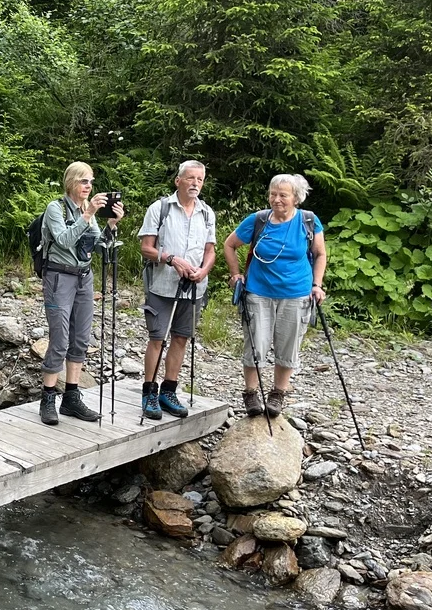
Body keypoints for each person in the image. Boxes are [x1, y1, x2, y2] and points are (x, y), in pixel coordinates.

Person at [222, 173, 326, 418]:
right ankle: (250, 393)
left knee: (288, 345)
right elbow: (229, 245)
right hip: (258, 292)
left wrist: (317, 284)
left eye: (283, 195)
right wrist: (236, 274)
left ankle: (278, 393)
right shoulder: (258, 220)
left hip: (297, 294)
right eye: (273, 194)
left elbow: (320, 254)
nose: (276, 199)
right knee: (256, 343)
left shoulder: (308, 221)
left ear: (296, 198)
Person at [37, 162, 123, 425]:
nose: (89, 186)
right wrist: (87, 215)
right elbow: (63, 240)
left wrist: (111, 224)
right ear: (72, 182)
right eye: (84, 181)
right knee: (60, 338)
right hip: (59, 277)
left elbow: (99, 245)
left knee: (81, 338)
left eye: (91, 182)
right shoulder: (56, 208)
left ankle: (72, 397)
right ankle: (48, 398)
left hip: (84, 278)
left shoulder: (89, 211)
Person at [138, 160, 217, 420]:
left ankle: (168, 390)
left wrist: (204, 271)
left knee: (181, 338)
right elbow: (146, 248)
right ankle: (148, 391)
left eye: (200, 180)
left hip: (193, 286)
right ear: (178, 181)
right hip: (162, 284)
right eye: (190, 178)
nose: (195, 183)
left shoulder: (207, 213)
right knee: (157, 338)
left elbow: (210, 251)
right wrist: (172, 259)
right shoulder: (160, 208)